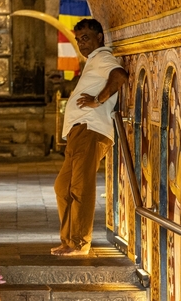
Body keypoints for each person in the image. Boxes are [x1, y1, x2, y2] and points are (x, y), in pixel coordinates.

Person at [52, 19, 128, 256]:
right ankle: (68, 240)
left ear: (99, 38)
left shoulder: (102, 57)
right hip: (79, 131)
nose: (81, 43)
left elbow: (119, 76)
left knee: (80, 187)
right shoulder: (92, 62)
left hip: (91, 129)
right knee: (62, 187)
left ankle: (80, 243)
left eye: (85, 38)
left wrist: (98, 100)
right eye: (78, 39)